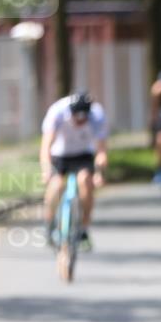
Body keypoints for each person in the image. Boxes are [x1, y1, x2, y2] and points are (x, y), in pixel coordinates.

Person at [40, 91, 108, 250]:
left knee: (85, 181)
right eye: (76, 118)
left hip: (83, 154)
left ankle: (83, 229)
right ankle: (49, 224)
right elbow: (46, 147)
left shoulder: (97, 115)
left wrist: (100, 173)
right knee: (56, 186)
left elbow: (102, 151)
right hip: (60, 154)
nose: (79, 122)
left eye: (83, 119)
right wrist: (46, 170)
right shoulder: (57, 112)